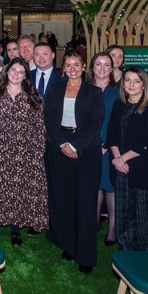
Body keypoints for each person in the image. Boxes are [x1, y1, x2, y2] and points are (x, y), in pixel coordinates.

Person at [43, 51, 104, 273]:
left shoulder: (94, 92)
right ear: (63, 68)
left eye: (76, 64)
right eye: (68, 65)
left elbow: (95, 123)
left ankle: (85, 255)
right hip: (59, 148)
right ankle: (69, 245)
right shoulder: (56, 89)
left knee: (86, 203)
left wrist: (75, 145)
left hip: (87, 151)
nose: (72, 68)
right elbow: (48, 118)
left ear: (84, 66)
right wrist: (63, 144)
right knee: (65, 199)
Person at [0, 58, 49, 245]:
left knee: (18, 189)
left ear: (25, 75)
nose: (16, 74)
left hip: (24, 151)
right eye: (13, 70)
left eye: (21, 71)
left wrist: (38, 150)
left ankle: (16, 229)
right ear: (7, 71)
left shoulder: (32, 94)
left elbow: (40, 125)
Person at [107, 67, 148, 251]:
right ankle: (125, 252)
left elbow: (147, 143)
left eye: (136, 81)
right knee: (123, 214)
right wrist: (117, 159)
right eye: (127, 80)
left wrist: (123, 159)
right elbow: (111, 136)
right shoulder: (118, 105)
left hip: (141, 170)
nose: (131, 84)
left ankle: (145, 255)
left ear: (144, 85)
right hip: (120, 168)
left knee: (143, 216)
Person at [88, 52, 120, 246]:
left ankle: (112, 228)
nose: (102, 68)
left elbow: (120, 122)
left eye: (106, 65)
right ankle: (94, 222)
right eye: (98, 64)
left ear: (112, 68)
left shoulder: (118, 91)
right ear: (92, 67)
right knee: (94, 185)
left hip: (110, 147)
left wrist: (106, 145)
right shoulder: (85, 90)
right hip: (88, 146)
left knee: (110, 187)